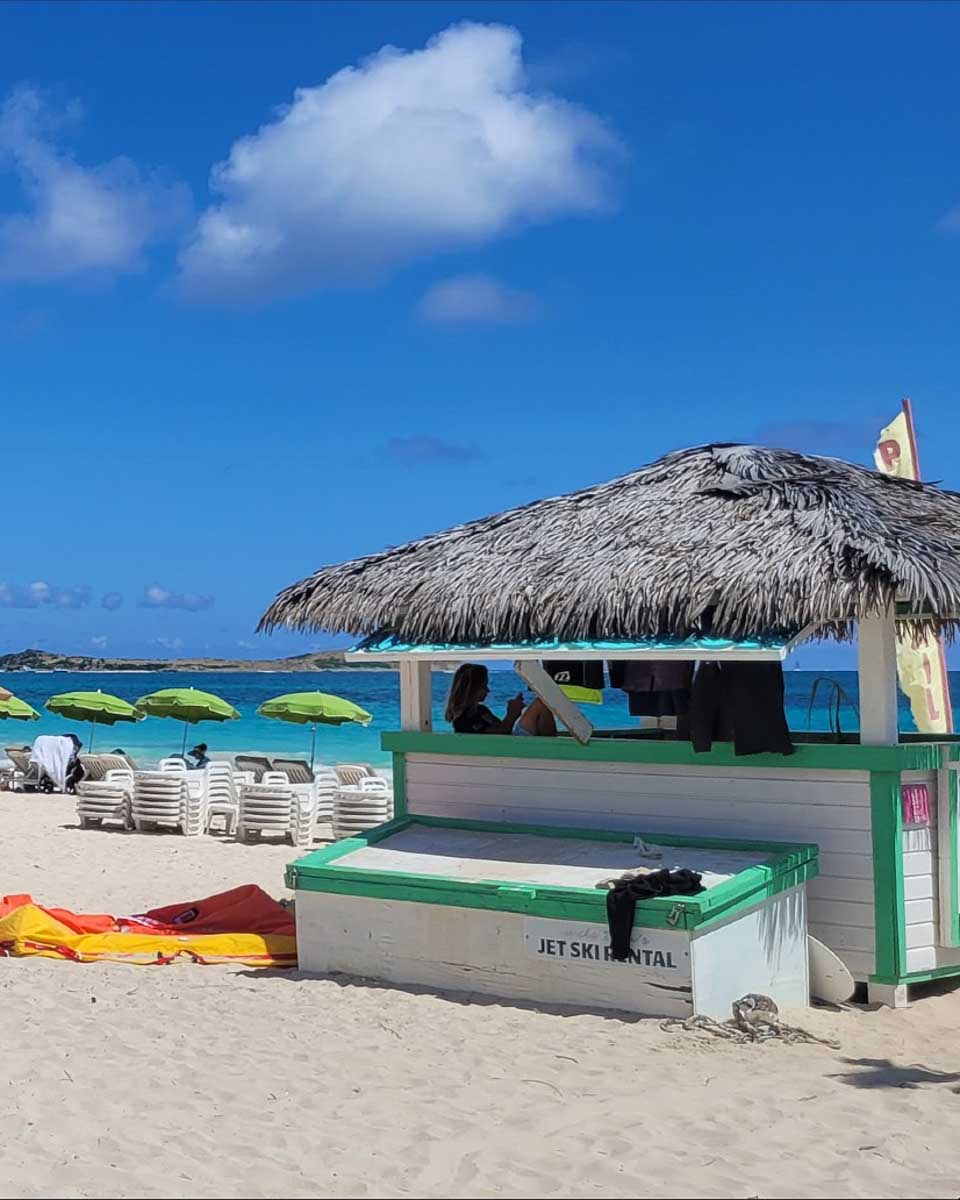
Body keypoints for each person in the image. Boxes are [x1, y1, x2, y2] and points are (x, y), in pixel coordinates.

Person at [445, 664, 525, 734]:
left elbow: (501, 728)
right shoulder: (464, 718)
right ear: (473, 689)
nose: (488, 690)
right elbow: (501, 733)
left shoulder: (481, 710)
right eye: (484, 686)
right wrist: (512, 713)